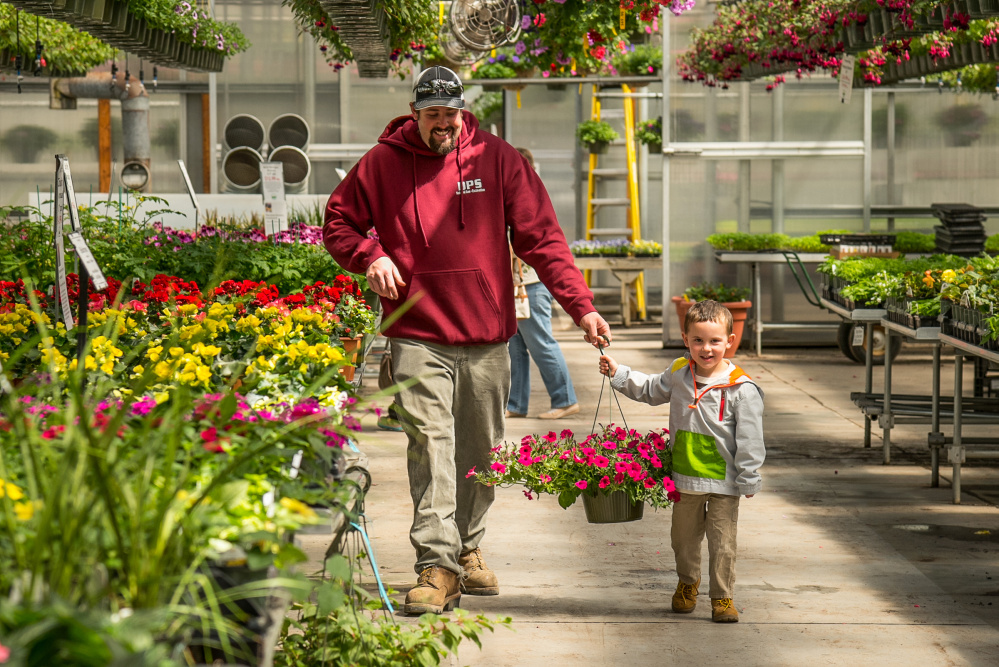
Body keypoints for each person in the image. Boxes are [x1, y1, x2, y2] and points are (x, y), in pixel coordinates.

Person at [323, 65, 612, 616]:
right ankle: (436, 566)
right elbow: (338, 222)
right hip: (416, 333)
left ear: (462, 110)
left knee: (480, 452)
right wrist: (371, 256)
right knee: (431, 444)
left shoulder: (497, 160)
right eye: (432, 115)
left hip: (485, 335)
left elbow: (543, 237)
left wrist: (582, 306)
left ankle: (468, 545)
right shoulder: (383, 164)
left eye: (450, 115)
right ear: (415, 112)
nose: (442, 126)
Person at [598, 300, 765, 623]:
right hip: (685, 479)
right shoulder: (678, 373)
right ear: (685, 339)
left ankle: (722, 596)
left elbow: (750, 438)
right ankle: (688, 583)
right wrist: (619, 374)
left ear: (730, 341)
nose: (706, 348)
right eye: (698, 340)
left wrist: (749, 476)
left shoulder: (742, 390)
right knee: (683, 539)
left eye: (715, 341)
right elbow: (649, 389)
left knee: (723, 542)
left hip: (725, 483)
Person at [506, 147, 579, 421]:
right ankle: (516, 404)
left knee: (540, 343)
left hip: (531, 283)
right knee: (515, 346)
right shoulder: (513, 195)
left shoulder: (530, 198)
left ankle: (565, 399)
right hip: (514, 285)